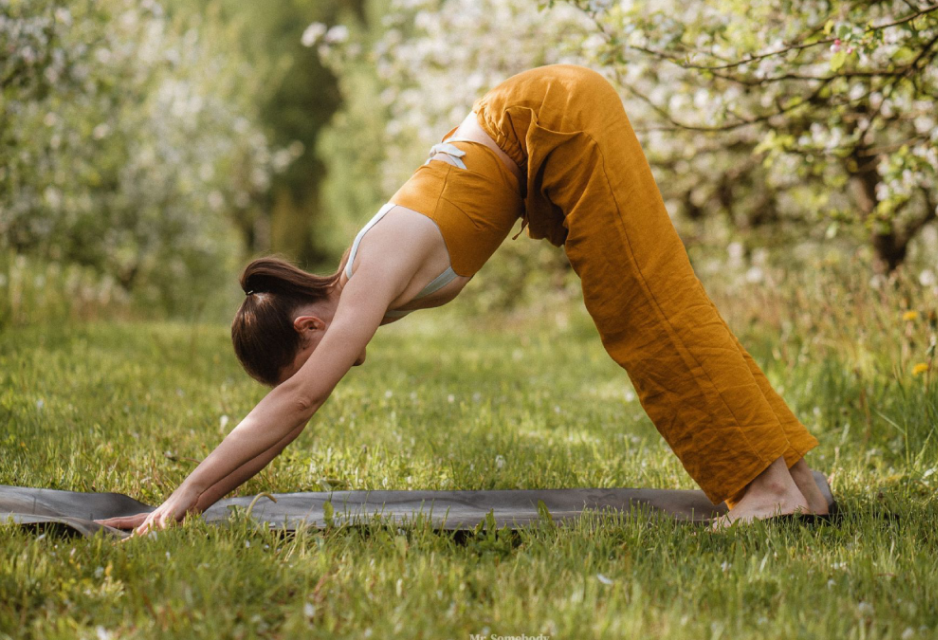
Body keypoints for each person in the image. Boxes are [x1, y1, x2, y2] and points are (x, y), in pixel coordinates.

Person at [98, 64, 829, 535]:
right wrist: (184, 507)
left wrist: (180, 501)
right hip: (549, 125)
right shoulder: (357, 278)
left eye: (307, 361)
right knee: (653, 299)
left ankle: (764, 488)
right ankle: (790, 478)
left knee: (645, 307)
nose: (336, 370)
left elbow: (294, 407)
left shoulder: (367, 278)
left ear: (310, 323)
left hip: (556, 120)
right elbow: (294, 401)